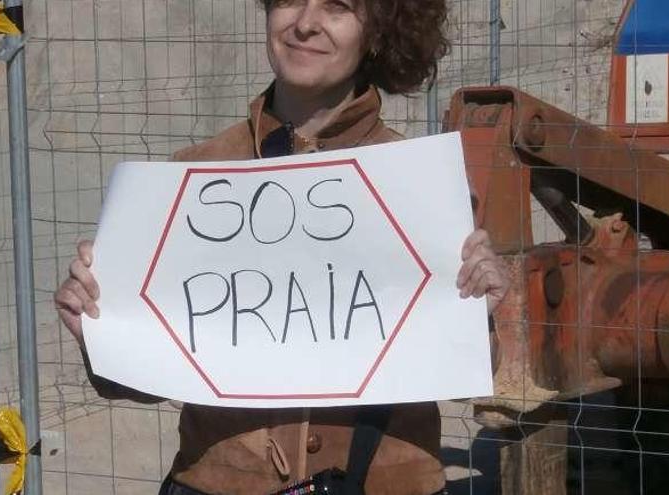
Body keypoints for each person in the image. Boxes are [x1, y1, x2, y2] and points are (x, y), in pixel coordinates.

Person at [55, 0, 511, 493]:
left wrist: (477, 311)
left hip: (385, 481)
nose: (306, 23)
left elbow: (466, 376)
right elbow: (139, 382)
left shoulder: (425, 189)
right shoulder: (192, 178)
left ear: (378, 30)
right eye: (290, 0)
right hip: (220, 483)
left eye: (338, 7)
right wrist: (100, 331)